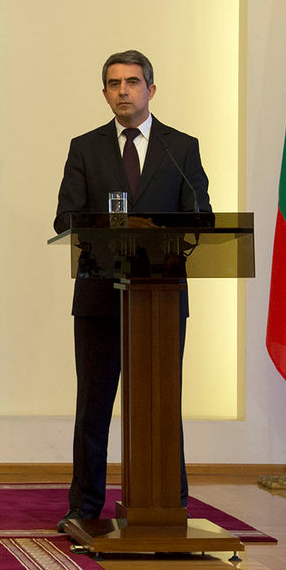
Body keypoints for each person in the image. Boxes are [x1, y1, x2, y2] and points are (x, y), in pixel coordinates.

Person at [51, 49, 210, 530]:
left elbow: (201, 217)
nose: (124, 91)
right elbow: (65, 218)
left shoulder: (180, 148)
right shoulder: (86, 148)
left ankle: (169, 500)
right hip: (100, 296)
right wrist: (109, 226)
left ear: (151, 90)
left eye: (133, 82)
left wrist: (149, 226)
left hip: (158, 299)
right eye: (115, 84)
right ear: (104, 93)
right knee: (93, 405)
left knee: (162, 402)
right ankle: (84, 506)